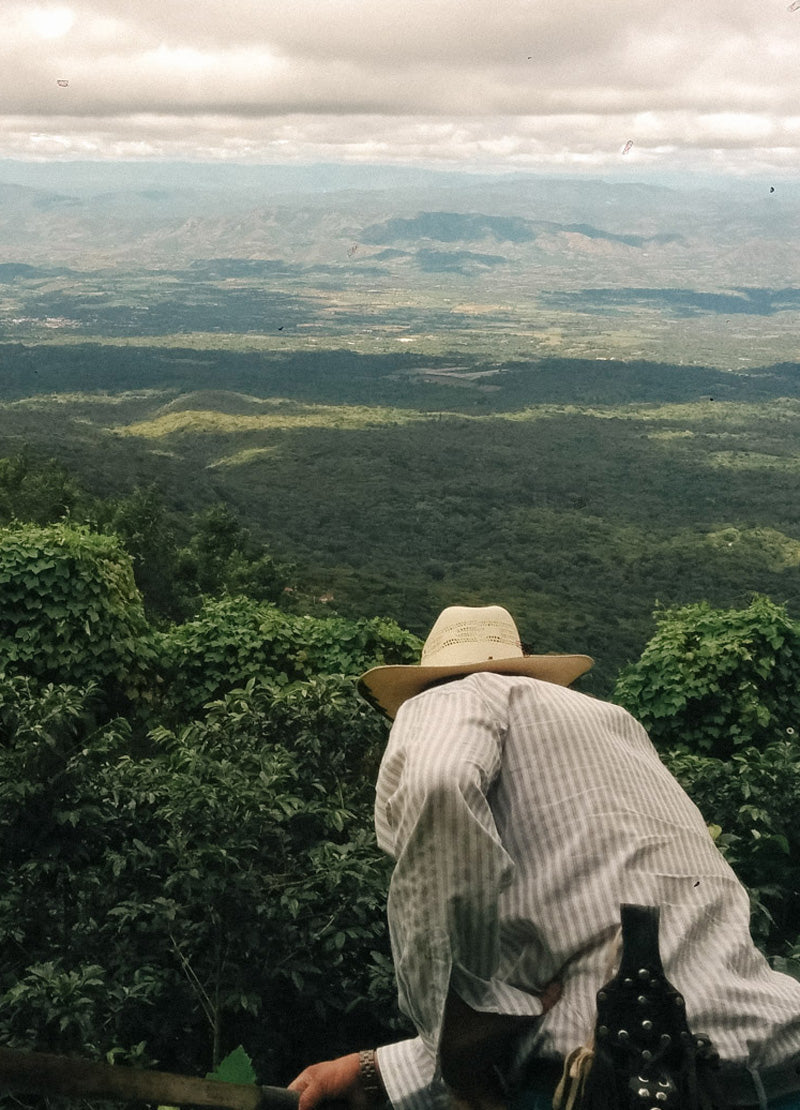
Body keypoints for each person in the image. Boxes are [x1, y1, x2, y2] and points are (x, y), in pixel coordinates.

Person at [288, 605, 800, 1110]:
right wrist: (377, 1071)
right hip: (777, 1065)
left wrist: (450, 1042)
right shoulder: (615, 723)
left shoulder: (445, 697)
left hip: (606, 1086)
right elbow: (578, 968)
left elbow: (440, 783)